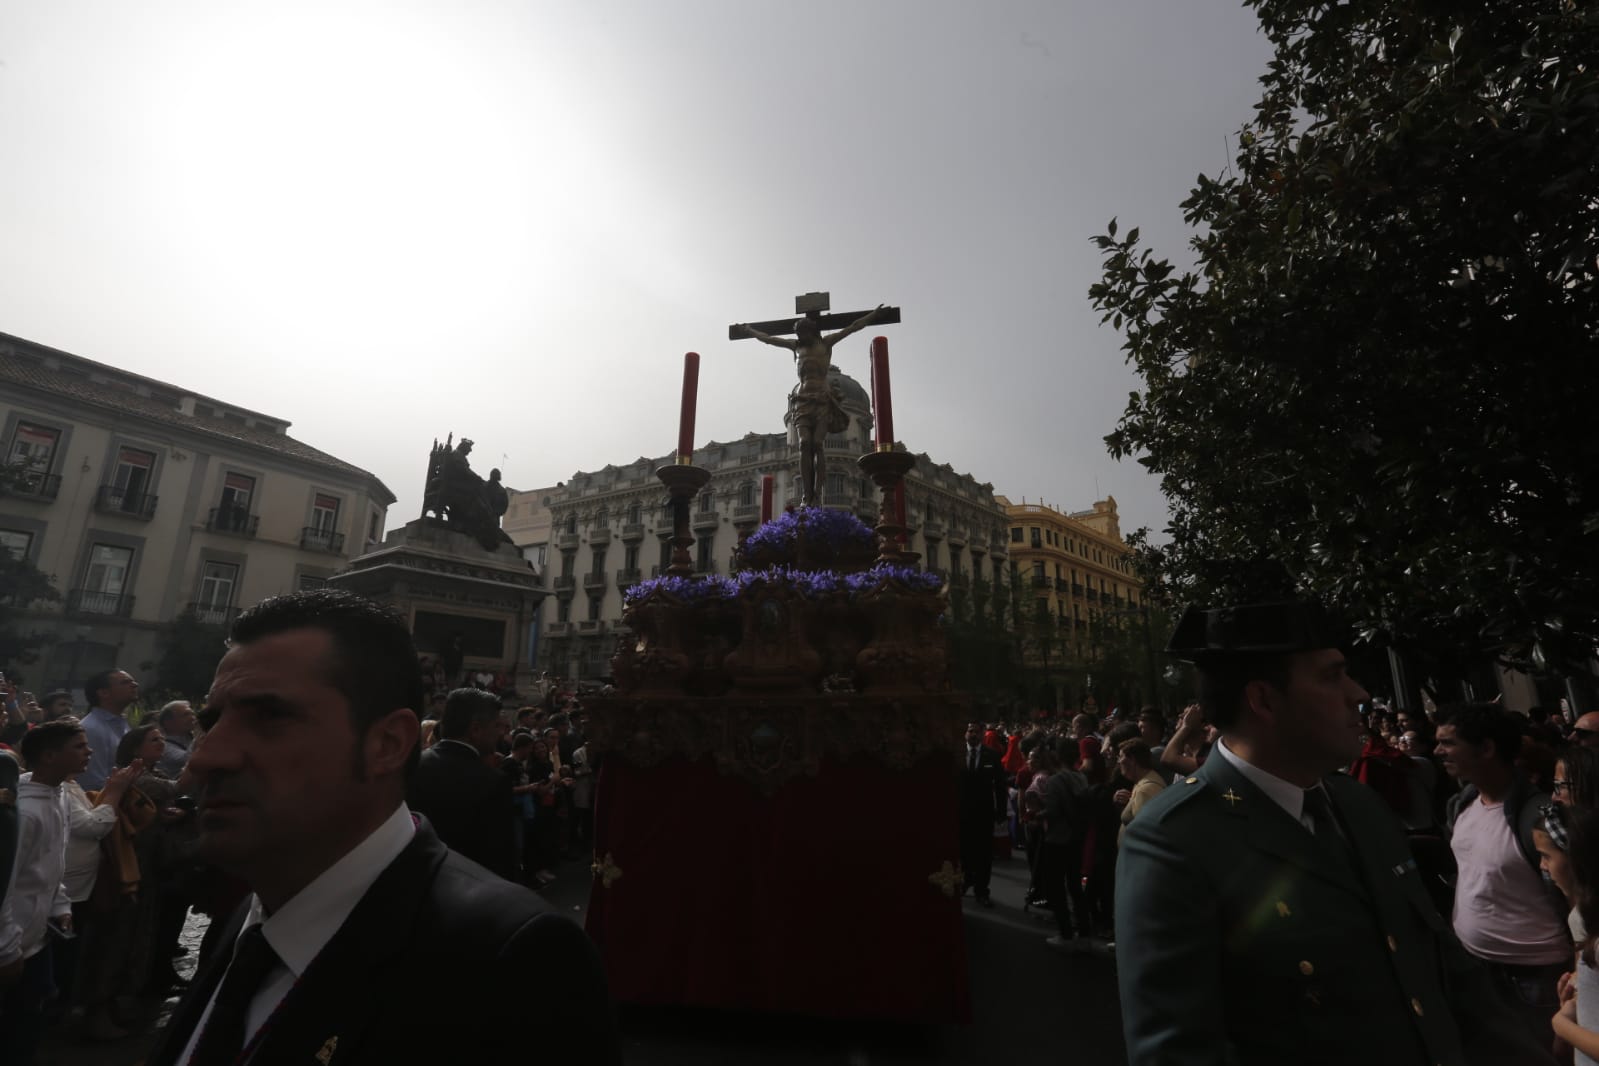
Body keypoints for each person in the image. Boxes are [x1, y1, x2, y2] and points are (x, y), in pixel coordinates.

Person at [143, 589, 619, 1066]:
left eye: (270, 717)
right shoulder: (251, 922)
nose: (206, 756)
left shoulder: (519, 963)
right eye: (211, 721)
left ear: (388, 743)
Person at [1116, 600, 1546, 1066]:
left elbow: (1447, 972)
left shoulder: (1357, 802)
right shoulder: (1173, 840)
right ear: (1263, 700)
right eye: (1331, 676)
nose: (1358, 693)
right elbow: (1180, 1052)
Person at [1437, 704, 1570, 1054]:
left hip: (1536, 981)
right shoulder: (1462, 804)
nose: (1439, 751)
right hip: (1476, 969)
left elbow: (1580, 898)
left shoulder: (1542, 818)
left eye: (1449, 743)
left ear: (1487, 748)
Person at [734, 305, 884, 506]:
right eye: (798, 333)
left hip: (822, 399)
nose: (800, 336)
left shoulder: (826, 343)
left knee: (817, 445)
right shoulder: (796, 347)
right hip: (802, 399)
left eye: (802, 332)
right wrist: (750, 331)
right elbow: (770, 339)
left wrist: (874, 315)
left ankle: (817, 493)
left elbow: (852, 327)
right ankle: (807, 494)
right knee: (804, 444)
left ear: (811, 331)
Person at [0, 720, 82, 1064]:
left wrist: (59, 906)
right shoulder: (25, 811)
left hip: (37, 937)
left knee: (32, 1017)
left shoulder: (59, 794)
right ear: (48, 756)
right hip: (11, 942)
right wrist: (5, 947)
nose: (87, 752)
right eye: (78, 746)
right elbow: (5, 881)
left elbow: (53, 862)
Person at [406, 687, 518, 881]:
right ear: (475, 729)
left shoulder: (411, 765)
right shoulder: (493, 782)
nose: (499, 734)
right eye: (496, 726)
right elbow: (499, 858)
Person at [958, 721, 1006, 908]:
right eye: (970, 731)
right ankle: (964, 882)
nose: (973, 735)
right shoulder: (957, 754)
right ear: (965, 734)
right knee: (963, 852)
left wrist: (1001, 813)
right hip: (962, 813)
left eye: (977, 732)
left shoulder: (992, 756)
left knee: (984, 855)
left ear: (983, 734)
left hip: (984, 813)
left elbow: (1000, 786)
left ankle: (982, 890)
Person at [79, 669, 138, 791]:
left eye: (133, 681)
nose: (135, 685)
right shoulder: (91, 728)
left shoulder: (123, 724)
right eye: (125, 682)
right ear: (104, 693)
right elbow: (93, 782)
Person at [155, 701, 197, 778]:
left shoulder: (191, 738)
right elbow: (186, 760)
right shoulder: (162, 746)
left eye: (192, 714)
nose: (192, 718)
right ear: (168, 723)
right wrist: (199, 733)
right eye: (186, 715)